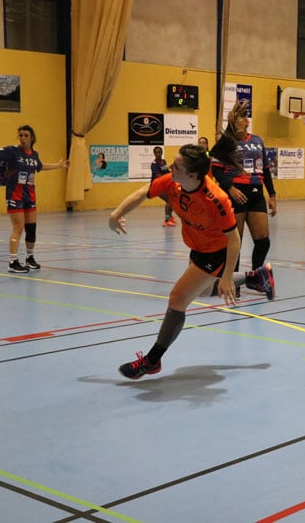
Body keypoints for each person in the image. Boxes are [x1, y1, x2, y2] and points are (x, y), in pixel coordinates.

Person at [109, 140, 275, 380]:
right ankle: (254, 278)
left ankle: (152, 360)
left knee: (178, 298)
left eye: (176, 166)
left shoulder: (215, 199)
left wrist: (227, 276)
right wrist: (117, 214)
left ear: (194, 174)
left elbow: (235, 239)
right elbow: (143, 192)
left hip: (216, 251)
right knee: (204, 292)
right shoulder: (173, 182)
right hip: (197, 247)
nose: (170, 168)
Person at [0, 119, 69, 273]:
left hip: (29, 197)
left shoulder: (34, 155)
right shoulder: (12, 152)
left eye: (26, 135)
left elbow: (40, 166)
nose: (23, 138)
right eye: (21, 135)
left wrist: (59, 165)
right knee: (18, 227)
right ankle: (13, 261)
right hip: (15, 196)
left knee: (31, 229)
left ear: (32, 138)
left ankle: (30, 258)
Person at [211, 100, 277, 290]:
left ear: (247, 122)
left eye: (243, 119)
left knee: (263, 241)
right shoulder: (227, 142)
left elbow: (265, 169)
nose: (241, 122)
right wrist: (230, 188)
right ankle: (234, 282)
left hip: (256, 192)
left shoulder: (257, 141)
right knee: (235, 242)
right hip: (235, 193)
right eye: (237, 119)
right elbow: (216, 169)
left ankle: (255, 277)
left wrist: (271, 195)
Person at [150, 146, 176, 227]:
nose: (158, 154)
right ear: (154, 154)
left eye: (159, 152)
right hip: (156, 186)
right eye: (156, 152)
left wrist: (173, 172)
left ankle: (170, 217)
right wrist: (168, 177)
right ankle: (166, 220)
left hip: (164, 185)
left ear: (161, 153)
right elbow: (159, 176)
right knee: (169, 200)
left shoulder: (163, 161)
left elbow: (167, 172)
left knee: (172, 200)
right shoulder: (154, 164)